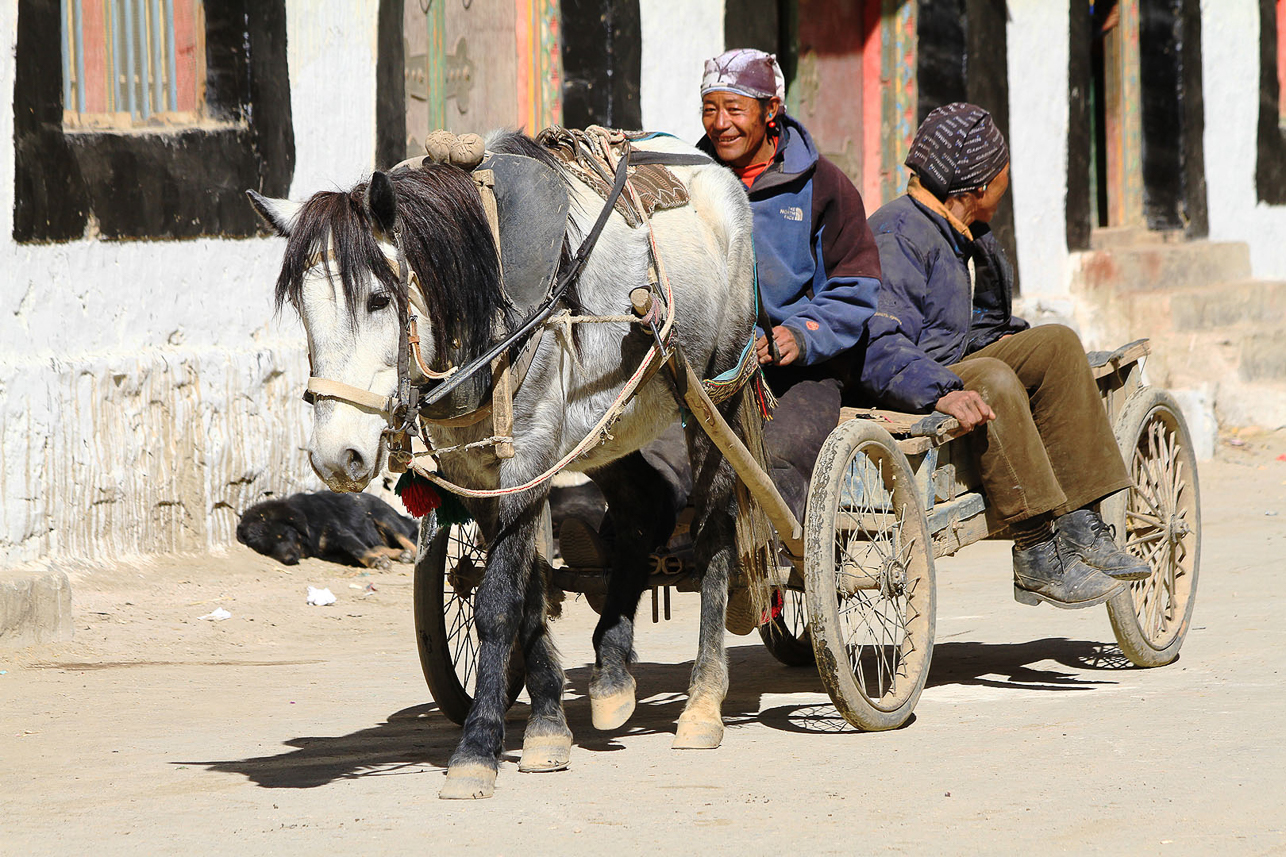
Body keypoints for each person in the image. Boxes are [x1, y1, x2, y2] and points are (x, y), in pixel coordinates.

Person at [860, 102, 1148, 609]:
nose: (1003, 192)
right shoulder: (898, 234)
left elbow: (960, 327)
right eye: (1000, 181)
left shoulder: (951, 229)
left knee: (1056, 343)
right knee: (991, 377)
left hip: (947, 359)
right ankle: (1036, 550)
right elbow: (882, 344)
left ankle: (1081, 523)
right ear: (974, 189)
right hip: (913, 380)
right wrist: (944, 391)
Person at [696, 48, 881, 398]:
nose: (720, 124)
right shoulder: (690, 182)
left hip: (800, 372)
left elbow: (854, 285)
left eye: (735, 109)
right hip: (708, 371)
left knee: (781, 454)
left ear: (771, 110)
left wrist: (801, 334)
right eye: (710, 109)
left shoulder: (822, 185)